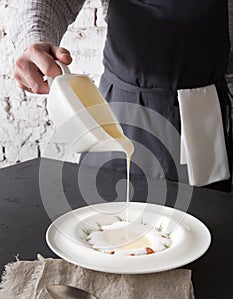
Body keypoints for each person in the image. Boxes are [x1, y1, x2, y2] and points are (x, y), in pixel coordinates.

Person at [11, 0, 233, 191]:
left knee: (206, 224)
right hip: (122, 112)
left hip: (206, 116)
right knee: (108, 223)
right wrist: (33, 39)